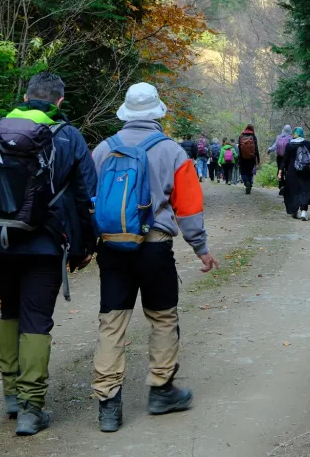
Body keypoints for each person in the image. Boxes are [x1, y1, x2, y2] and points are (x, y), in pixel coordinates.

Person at [0, 73, 97, 437]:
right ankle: (32, 408)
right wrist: (85, 248)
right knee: (36, 318)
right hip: (45, 243)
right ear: (59, 102)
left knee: (10, 310)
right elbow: (85, 197)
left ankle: (12, 395)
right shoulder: (68, 136)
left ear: (25, 96)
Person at [91, 83, 217, 432]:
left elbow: (88, 199)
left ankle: (108, 405)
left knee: (112, 323)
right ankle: (161, 391)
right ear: (158, 113)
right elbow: (189, 209)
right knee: (162, 318)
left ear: (126, 113)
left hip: (112, 247)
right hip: (155, 246)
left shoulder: (102, 150)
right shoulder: (172, 152)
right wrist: (201, 249)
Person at [281, 127, 310, 220]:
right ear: (302, 133)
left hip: (292, 171)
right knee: (305, 190)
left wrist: (281, 170)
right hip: (306, 171)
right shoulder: (307, 144)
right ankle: (303, 211)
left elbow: (285, 160)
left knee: (293, 191)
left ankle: (294, 210)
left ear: (294, 134)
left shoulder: (289, 145)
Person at [236, 124, 259, 194]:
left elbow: (239, 148)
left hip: (243, 157)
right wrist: (257, 158)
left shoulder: (241, 136)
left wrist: (239, 158)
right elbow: (256, 148)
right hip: (252, 157)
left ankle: (246, 182)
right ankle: (250, 183)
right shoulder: (253, 136)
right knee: (250, 171)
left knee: (243, 171)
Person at [273, 126, 291, 192]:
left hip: (279, 157)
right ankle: (286, 186)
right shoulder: (290, 137)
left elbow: (274, 146)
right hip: (287, 157)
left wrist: (269, 149)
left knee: (280, 171)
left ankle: (281, 185)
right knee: (287, 170)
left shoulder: (279, 137)